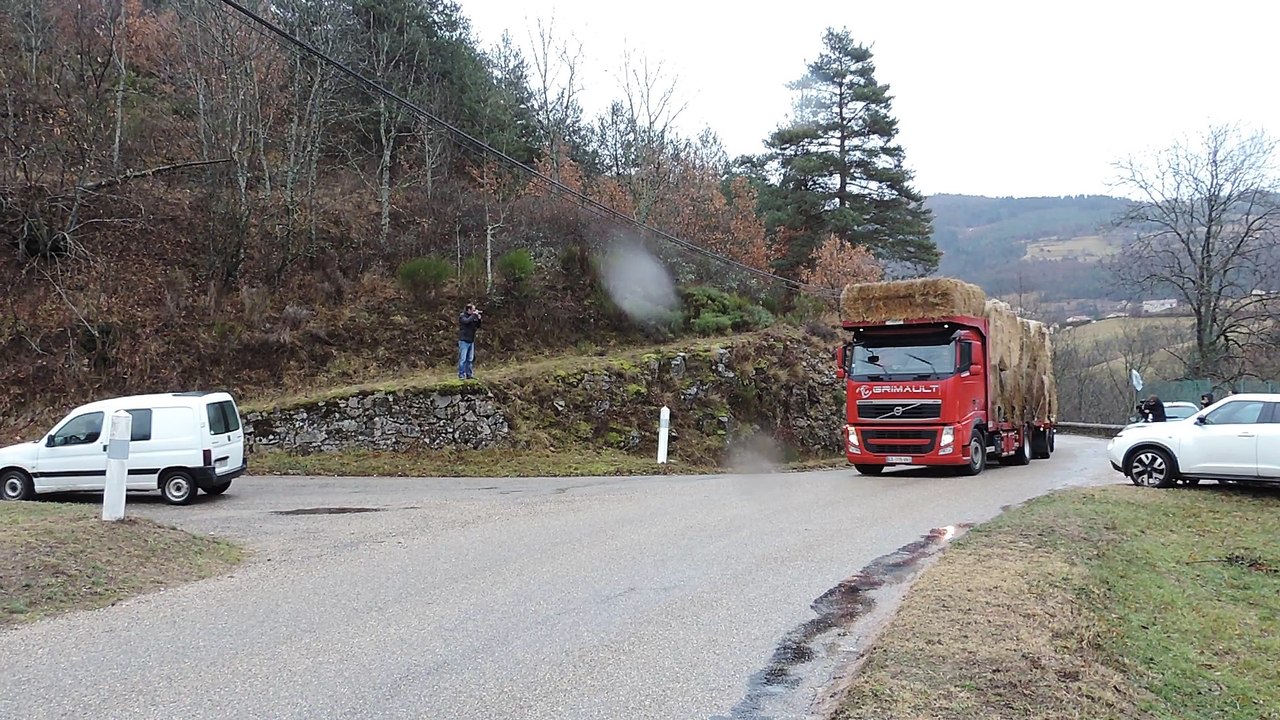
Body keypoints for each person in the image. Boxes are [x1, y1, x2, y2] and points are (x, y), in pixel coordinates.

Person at [458, 303, 482, 380]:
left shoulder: (473, 317)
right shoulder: (462, 316)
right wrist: (474, 315)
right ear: (469, 310)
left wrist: (479, 319)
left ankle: (469, 374)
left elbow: (477, 326)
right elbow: (466, 321)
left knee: (470, 359)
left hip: (471, 340)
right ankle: (461, 375)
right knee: (463, 359)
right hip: (463, 340)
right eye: (473, 310)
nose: (474, 311)